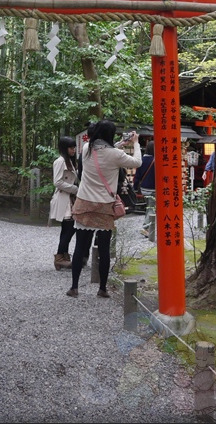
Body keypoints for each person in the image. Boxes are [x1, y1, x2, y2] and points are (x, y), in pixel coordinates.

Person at [67, 120, 142, 298]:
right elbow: (137, 162)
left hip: (84, 203)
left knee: (79, 247)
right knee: (104, 249)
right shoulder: (116, 154)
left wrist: (120, 144)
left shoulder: (86, 148)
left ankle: (74, 287)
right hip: (104, 206)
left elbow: (103, 151)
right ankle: (102, 289)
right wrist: (135, 143)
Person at [48, 136, 78, 270]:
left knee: (67, 229)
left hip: (70, 199)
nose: (74, 150)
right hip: (64, 199)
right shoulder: (60, 161)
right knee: (70, 228)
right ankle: (60, 256)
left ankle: (64, 255)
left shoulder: (71, 161)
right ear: (65, 148)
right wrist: (76, 189)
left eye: (74, 147)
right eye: (71, 148)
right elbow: (57, 182)